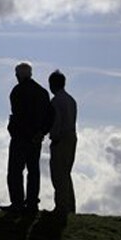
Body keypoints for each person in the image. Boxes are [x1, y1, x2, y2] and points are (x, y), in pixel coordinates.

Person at [0, 63, 51, 213]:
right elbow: (49, 116)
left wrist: (14, 129)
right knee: (33, 171)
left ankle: (17, 203)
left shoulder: (17, 91)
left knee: (15, 171)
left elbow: (18, 116)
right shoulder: (42, 92)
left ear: (18, 75)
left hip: (20, 137)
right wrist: (41, 132)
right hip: (36, 138)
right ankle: (32, 203)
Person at [47, 70, 77, 215]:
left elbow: (56, 122)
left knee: (58, 174)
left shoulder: (56, 101)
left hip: (61, 139)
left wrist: (54, 137)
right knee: (66, 173)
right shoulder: (71, 100)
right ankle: (69, 205)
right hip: (71, 137)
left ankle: (61, 206)